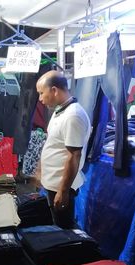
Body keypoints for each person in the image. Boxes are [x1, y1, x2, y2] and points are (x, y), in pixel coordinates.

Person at [35, 70, 91, 229]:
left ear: (54, 90)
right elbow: (53, 143)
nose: (40, 99)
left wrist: (63, 191)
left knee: (65, 229)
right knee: (58, 225)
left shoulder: (73, 116)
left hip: (61, 185)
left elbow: (74, 156)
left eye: (41, 93)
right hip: (53, 182)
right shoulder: (60, 110)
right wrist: (41, 170)